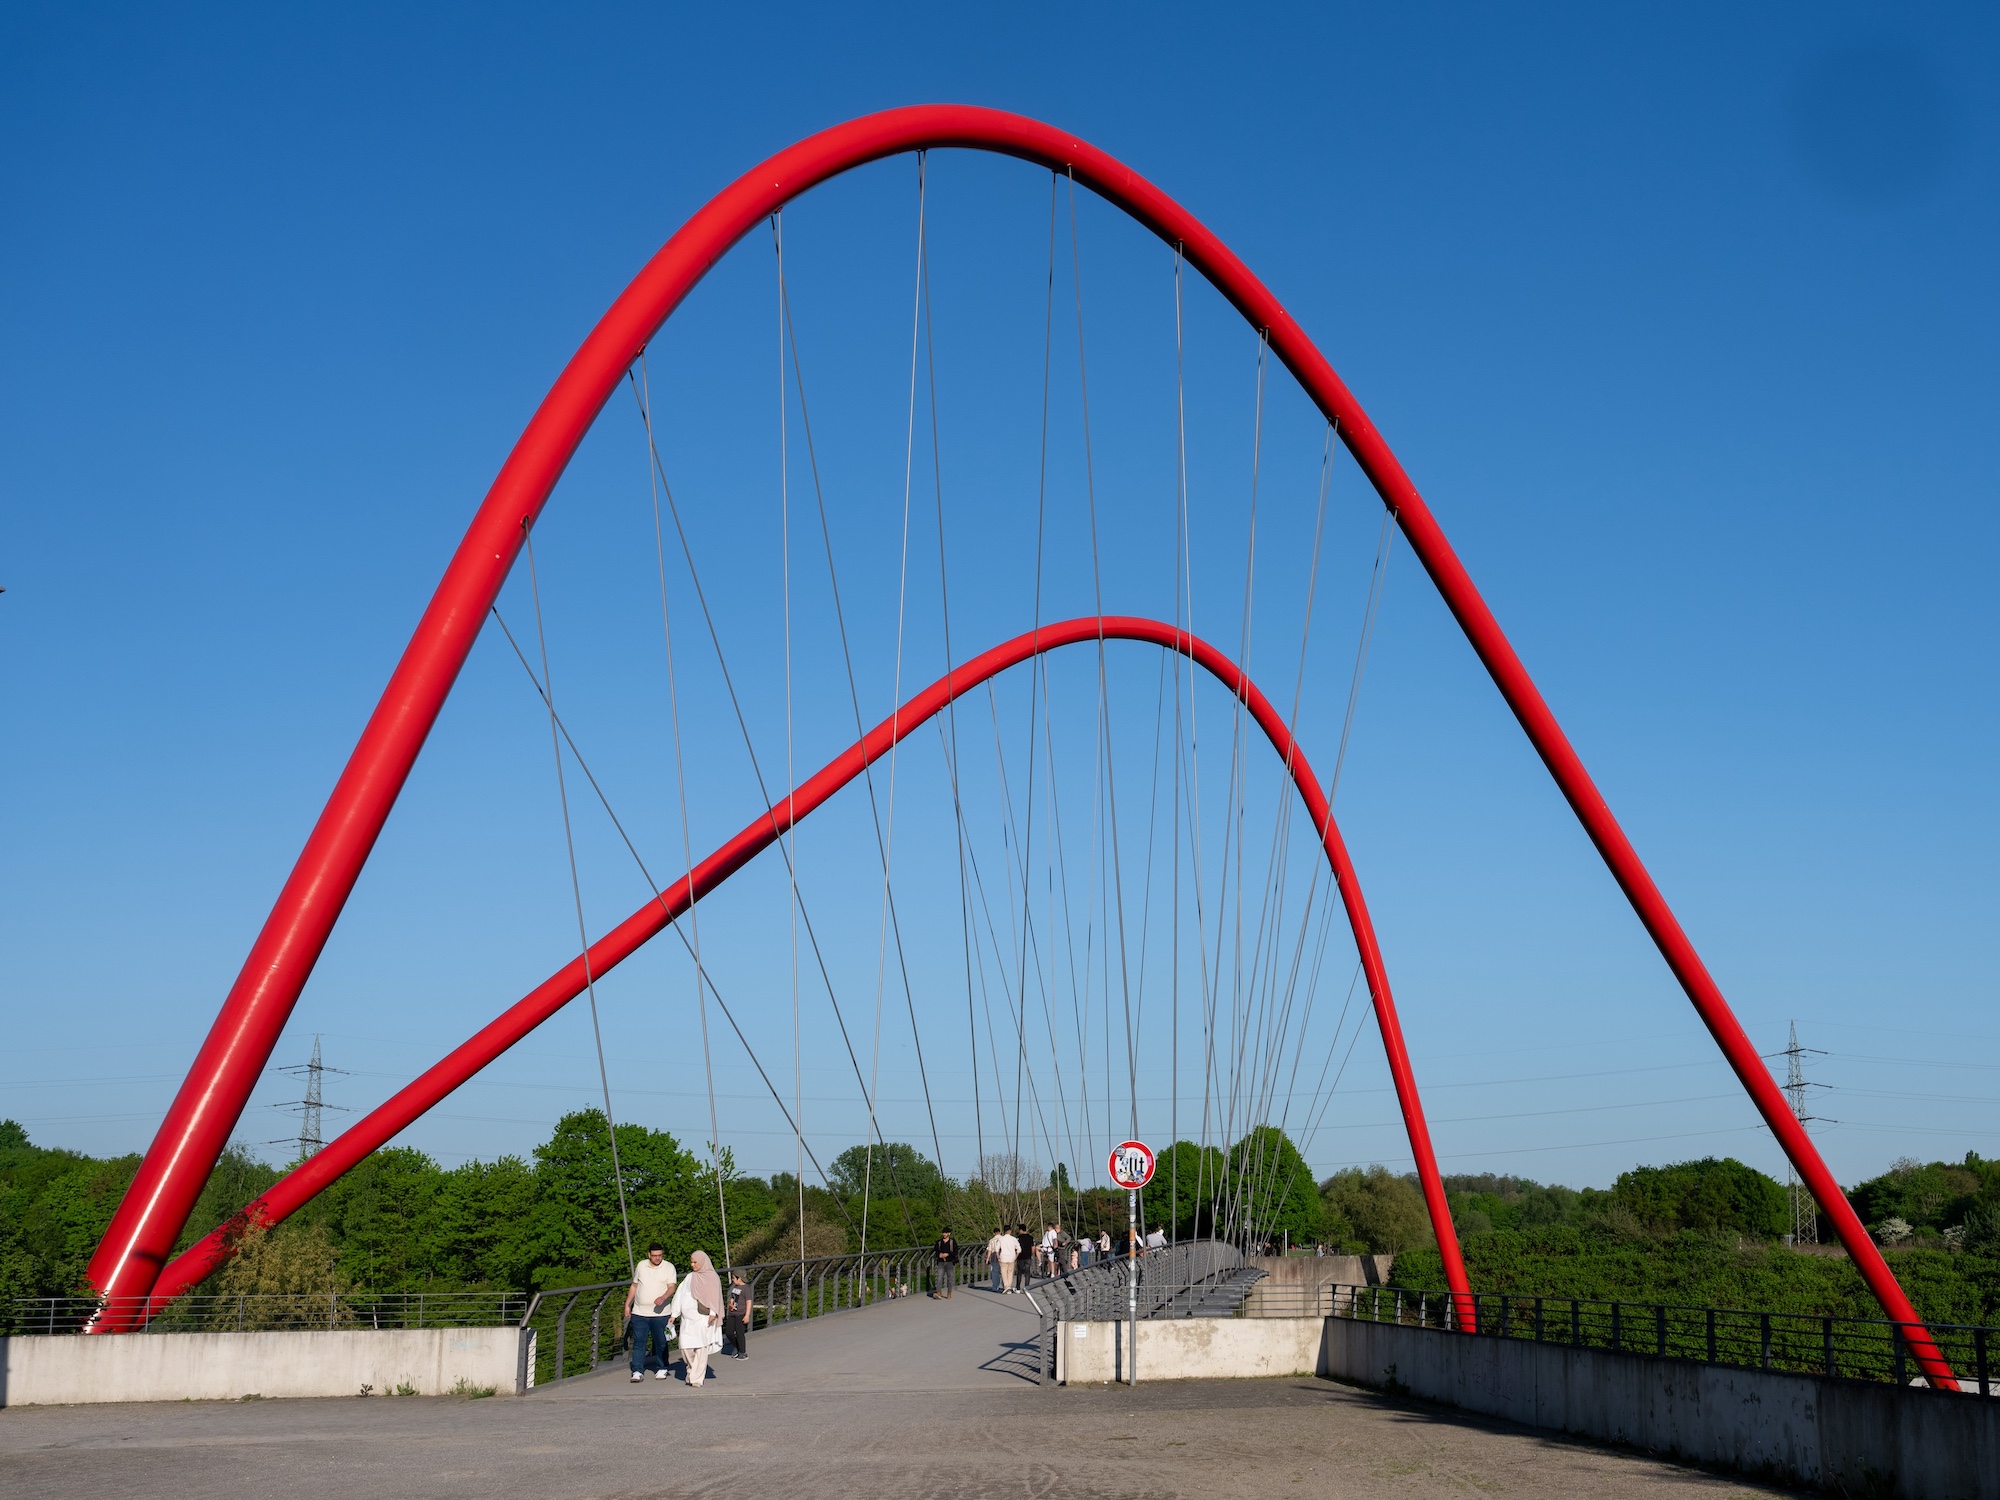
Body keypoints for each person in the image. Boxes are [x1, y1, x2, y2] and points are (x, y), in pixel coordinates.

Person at [671, 1249, 725, 1388]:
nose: (692, 1265)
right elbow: (680, 1294)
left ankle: (697, 1378)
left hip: (702, 1317)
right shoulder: (690, 1277)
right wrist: (674, 1314)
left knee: (701, 1347)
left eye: (695, 1262)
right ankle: (691, 1371)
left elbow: (715, 1296)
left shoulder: (712, 1277)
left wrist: (713, 1313)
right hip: (687, 1319)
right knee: (685, 1346)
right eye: (692, 1262)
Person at [624, 1242, 678, 1382]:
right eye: (654, 1256)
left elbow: (672, 1287)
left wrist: (664, 1297)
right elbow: (635, 1285)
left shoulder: (668, 1267)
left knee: (661, 1342)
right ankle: (637, 1371)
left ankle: (662, 1367)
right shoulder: (641, 1265)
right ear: (649, 1255)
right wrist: (627, 1304)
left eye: (659, 1255)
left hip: (661, 1314)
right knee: (639, 1342)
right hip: (639, 1312)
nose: (657, 1258)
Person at [722, 1269, 751, 1359]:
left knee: (740, 1333)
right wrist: (731, 1304)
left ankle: (743, 1352)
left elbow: (749, 1302)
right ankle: (737, 1347)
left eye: (734, 1278)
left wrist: (747, 1315)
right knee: (729, 1332)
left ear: (739, 1278)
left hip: (741, 1313)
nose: (733, 1280)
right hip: (732, 1313)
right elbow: (733, 1297)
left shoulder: (746, 1288)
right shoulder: (735, 1287)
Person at [930, 1228, 959, 1298]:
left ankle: (949, 1292)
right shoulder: (939, 1242)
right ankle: (938, 1292)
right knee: (939, 1277)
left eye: (946, 1233)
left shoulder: (952, 1242)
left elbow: (956, 1252)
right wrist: (939, 1254)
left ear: (949, 1234)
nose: (944, 1234)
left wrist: (948, 1254)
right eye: (943, 1233)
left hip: (950, 1261)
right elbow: (936, 1250)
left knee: (950, 1277)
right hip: (941, 1262)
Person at [994, 1224, 1022, 1292]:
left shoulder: (1001, 1239)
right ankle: (1009, 1286)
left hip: (1003, 1257)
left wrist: (998, 1256)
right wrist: (1016, 1256)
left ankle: (1006, 1286)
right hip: (1011, 1257)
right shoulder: (1014, 1239)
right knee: (1010, 1273)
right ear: (1010, 1231)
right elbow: (1019, 1249)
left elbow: (996, 1249)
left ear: (1004, 1231)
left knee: (1003, 1273)